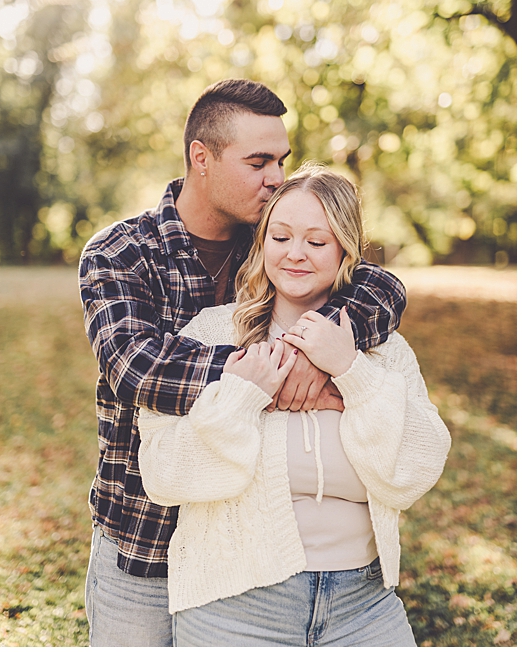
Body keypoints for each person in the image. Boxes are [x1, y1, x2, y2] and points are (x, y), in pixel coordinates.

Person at [78, 79, 408, 646]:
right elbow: (140, 368)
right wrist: (282, 367)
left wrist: (329, 343)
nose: (277, 177)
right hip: (147, 538)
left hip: (251, 556)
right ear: (200, 159)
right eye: (258, 161)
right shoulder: (120, 253)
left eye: (280, 159)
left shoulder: (278, 240)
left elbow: (380, 286)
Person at [136, 165, 451, 646]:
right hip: (234, 607)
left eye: (317, 242)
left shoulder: (382, 351)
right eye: (280, 237)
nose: (295, 254)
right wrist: (243, 395)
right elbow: (162, 475)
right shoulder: (208, 335)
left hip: (363, 606)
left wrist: (352, 374)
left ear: (345, 249)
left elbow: (416, 469)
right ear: (261, 243)